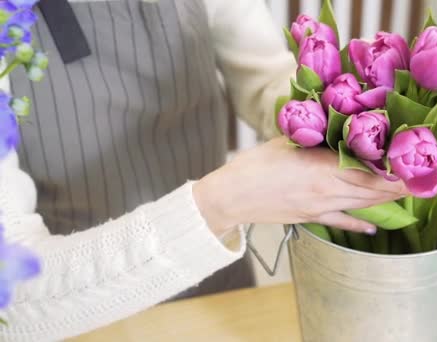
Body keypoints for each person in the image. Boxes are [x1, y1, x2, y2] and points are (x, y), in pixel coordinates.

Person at [0, 0, 407, 340]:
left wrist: (336, 111)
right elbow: (15, 297)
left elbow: (263, 74)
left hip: (219, 290)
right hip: (79, 313)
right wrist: (225, 202)